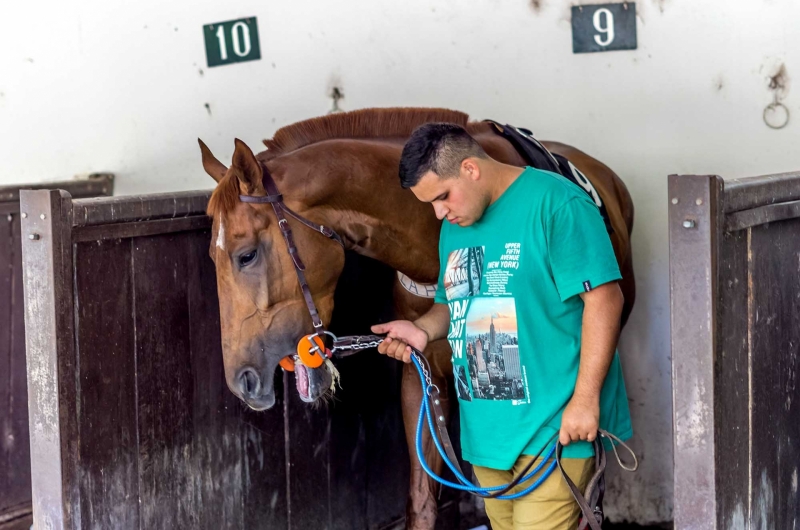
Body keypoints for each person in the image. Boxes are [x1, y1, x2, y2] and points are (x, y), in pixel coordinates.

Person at [371, 123, 632, 530]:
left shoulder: (556, 204)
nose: (439, 213)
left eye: (442, 196)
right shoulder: (453, 229)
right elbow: (451, 300)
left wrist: (585, 400)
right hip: (488, 434)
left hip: (552, 426)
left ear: (471, 169)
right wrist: (422, 330)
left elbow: (605, 298)